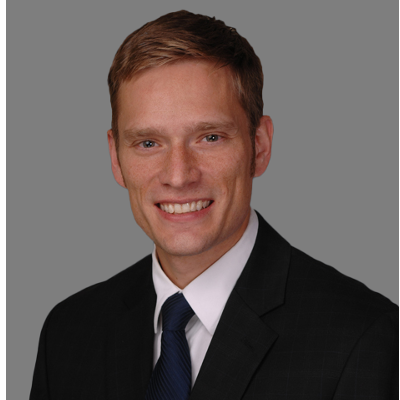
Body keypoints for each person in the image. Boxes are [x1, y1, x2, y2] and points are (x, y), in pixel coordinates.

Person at [30, 10, 399, 400]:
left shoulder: (364, 340)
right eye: (148, 143)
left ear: (259, 146)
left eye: (210, 137)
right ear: (116, 158)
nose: (178, 175)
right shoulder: (68, 333)